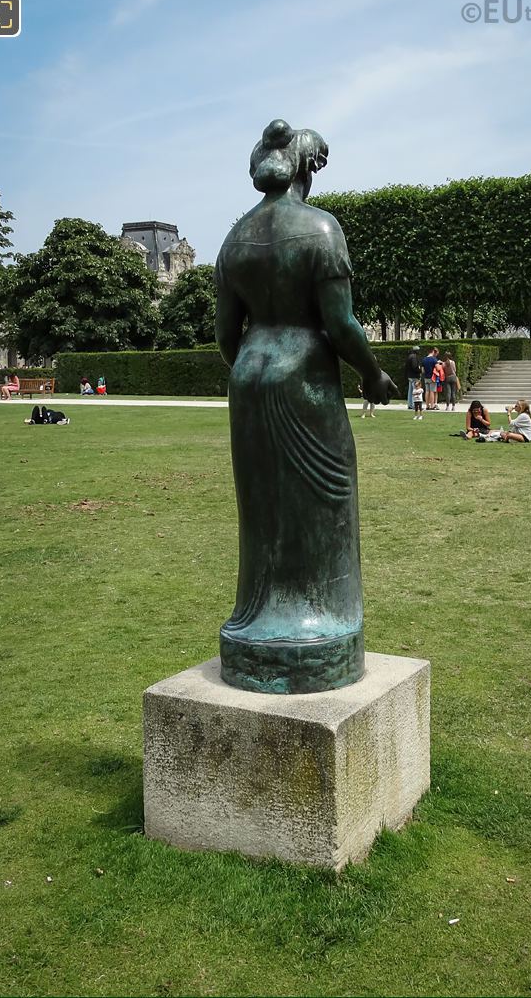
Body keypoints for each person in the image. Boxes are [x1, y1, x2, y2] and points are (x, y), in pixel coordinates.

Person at [214, 118, 397, 693]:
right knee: (323, 509)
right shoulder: (322, 229)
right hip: (306, 384)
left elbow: (225, 335)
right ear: (306, 168)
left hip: (249, 377)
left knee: (263, 511)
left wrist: (254, 364)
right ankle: (321, 623)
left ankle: (257, 620)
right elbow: (340, 324)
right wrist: (372, 374)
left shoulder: (233, 240)